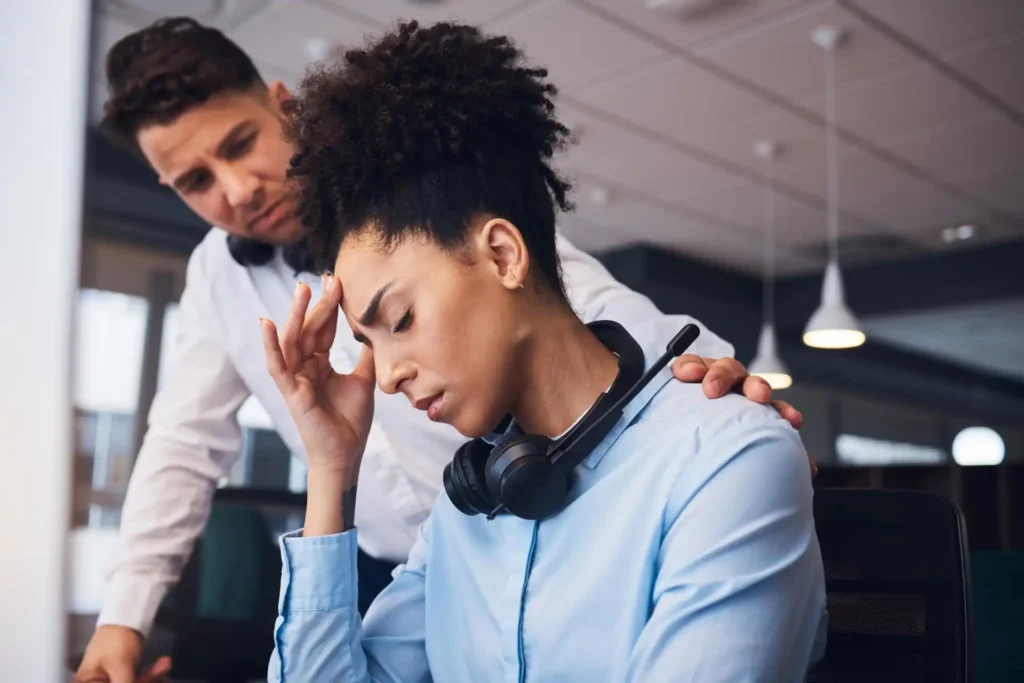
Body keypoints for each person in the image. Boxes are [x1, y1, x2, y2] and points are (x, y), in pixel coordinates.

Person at [76, 16, 808, 683]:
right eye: (195, 181)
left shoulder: (435, 214)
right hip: (440, 547)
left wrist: (716, 397)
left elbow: (599, 329)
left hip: (558, 507)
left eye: (239, 145)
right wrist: (122, 616)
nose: (236, 190)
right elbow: (181, 444)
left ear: (279, 104)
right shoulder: (218, 276)